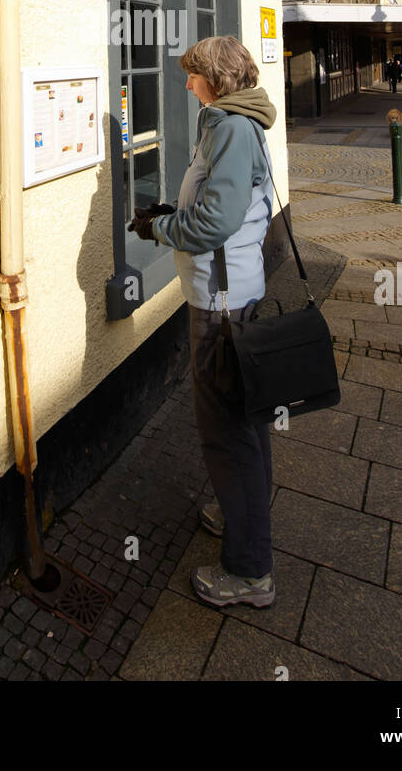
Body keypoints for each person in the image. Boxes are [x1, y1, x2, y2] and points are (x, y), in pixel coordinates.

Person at [128, 35, 277, 610]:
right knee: (246, 417)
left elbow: (215, 221)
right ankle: (242, 514)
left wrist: (158, 230)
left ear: (215, 78)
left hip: (222, 304)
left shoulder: (232, 130)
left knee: (227, 432)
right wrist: (174, 214)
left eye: (193, 75)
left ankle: (249, 570)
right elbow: (217, 206)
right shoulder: (230, 122)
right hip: (230, 293)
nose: (186, 84)